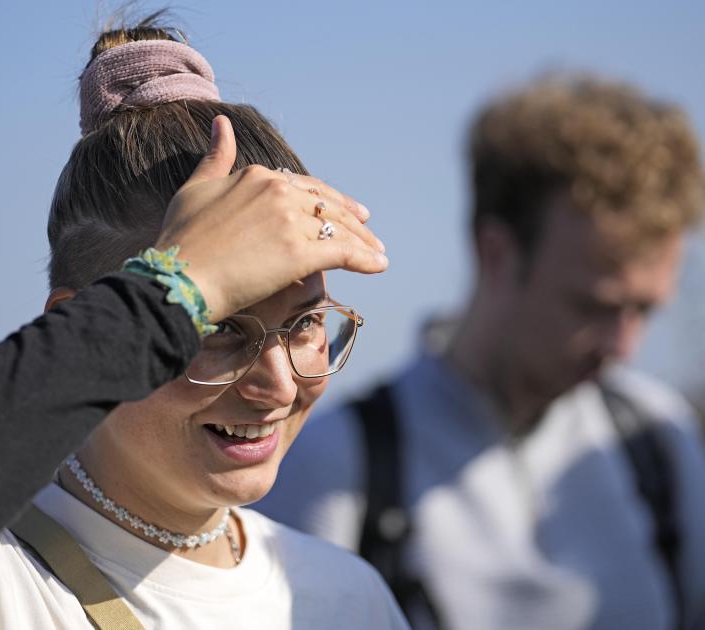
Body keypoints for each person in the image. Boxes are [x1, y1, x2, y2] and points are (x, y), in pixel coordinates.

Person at [0, 17, 408, 630]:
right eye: (218, 326)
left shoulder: (345, 597)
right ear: (88, 324)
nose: (279, 385)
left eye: (305, 324)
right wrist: (179, 283)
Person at [258, 73, 705, 630]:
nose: (623, 345)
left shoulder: (658, 439)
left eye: (644, 310)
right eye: (592, 306)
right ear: (496, 254)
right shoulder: (338, 464)